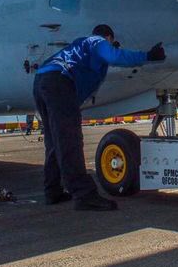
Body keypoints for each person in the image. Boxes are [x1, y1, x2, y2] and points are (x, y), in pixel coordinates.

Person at [33, 24, 166, 210]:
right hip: (59, 82)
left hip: (42, 82)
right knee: (70, 140)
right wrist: (148, 56)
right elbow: (114, 56)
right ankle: (84, 195)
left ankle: (52, 191)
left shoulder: (79, 47)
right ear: (109, 37)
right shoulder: (97, 41)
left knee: (55, 141)